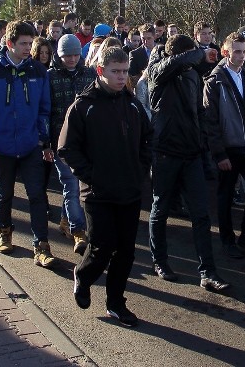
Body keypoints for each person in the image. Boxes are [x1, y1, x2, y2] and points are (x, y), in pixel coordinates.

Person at [58, 47, 153, 328]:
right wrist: (91, 175)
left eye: (125, 71)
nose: (122, 77)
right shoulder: (83, 106)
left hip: (129, 190)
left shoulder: (134, 105)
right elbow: (67, 148)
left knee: (126, 251)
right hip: (97, 193)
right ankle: (83, 276)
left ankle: (116, 303)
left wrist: (139, 169)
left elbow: (149, 139)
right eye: (116, 71)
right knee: (102, 246)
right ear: (101, 71)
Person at [147, 34, 230, 293]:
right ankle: (159, 261)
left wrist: (205, 152)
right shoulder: (158, 72)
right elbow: (175, 63)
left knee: (201, 214)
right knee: (160, 208)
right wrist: (200, 53)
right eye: (191, 54)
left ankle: (208, 272)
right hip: (165, 152)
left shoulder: (192, 74)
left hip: (191, 152)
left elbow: (198, 113)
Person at [0, 21, 56, 266]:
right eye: (24, 44)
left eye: (31, 43)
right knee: (4, 193)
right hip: (1, 146)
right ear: (9, 44)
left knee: (37, 195)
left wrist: (45, 141)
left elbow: (44, 110)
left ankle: (41, 246)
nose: (29, 48)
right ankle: (4, 231)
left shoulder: (38, 72)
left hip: (30, 146)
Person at [203, 32, 245, 259]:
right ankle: (227, 240)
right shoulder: (215, 81)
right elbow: (210, 121)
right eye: (237, 51)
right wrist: (219, 154)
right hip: (229, 149)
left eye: (244, 50)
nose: (242, 55)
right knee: (226, 196)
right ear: (226, 52)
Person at [48, 34, 96, 255]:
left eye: (76, 54)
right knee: (71, 184)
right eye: (68, 55)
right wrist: (46, 143)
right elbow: (45, 111)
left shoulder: (89, 75)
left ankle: (66, 220)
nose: (72, 59)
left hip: (86, 139)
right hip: (60, 139)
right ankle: (78, 231)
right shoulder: (49, 77)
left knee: (77, 185)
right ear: (60, 55)